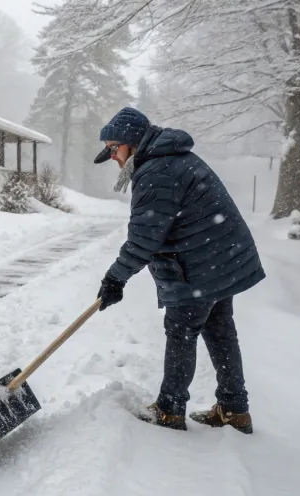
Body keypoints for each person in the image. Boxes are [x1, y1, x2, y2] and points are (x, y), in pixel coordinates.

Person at [94, 107, 264, 434]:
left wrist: (115, 278)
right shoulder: (169, 158)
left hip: (200, 266)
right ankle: (234, 409)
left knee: (182, 331)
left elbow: (144, 238)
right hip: (218, 261)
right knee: (219, 329)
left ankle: (170, 410)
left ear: (131, 143)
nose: (113, 157)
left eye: (114, 148)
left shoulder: (158, 172)